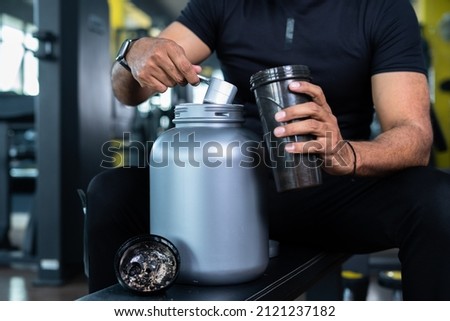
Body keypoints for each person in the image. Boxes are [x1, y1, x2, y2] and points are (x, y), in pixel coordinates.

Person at [86, 0, 450, 300]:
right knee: (111, 191)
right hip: (238, 185)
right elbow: (129, 92)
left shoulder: (382, 8)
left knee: (437, 199)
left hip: (337, 187)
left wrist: (345, 154)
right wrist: (132, 54)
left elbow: (414, 135)